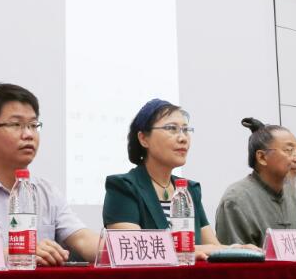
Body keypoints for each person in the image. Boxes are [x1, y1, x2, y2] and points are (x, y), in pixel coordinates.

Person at [0, 83, 99, 265]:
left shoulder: (47, 193)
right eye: (16, 124)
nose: (29, 134)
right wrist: (21, 253)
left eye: (33, 125)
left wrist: (115, 249)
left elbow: (82, 239)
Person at [103, 98, 251, 259]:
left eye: (186, 130)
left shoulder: (189, 190)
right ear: (143, 138)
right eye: (172, 129)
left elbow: (213, 247)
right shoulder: (123, 187)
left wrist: (238, 248)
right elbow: (133, 249)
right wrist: (192, 250)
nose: (183, 138)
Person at [215, 117, 296, 246]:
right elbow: (234, 255)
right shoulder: (236, 199)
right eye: (288, 150)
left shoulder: (291, 195)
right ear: (262, 157)